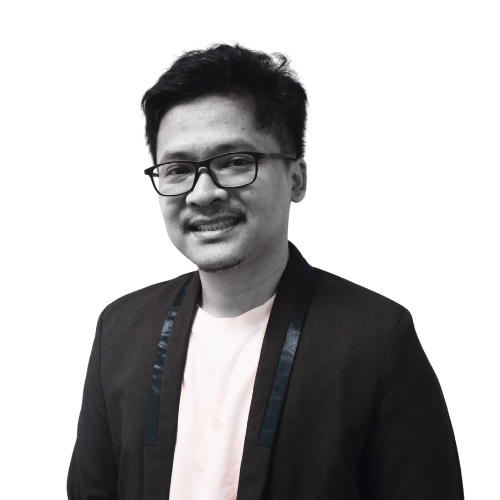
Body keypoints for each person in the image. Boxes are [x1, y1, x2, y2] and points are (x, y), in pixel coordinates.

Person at [67, 44, 464, 500]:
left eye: (235, 162)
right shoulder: (120, 330)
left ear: (296, 178)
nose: (203, 193)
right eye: (178, 169)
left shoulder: (376, 340)